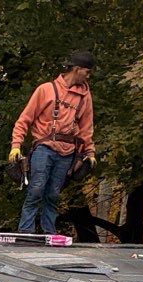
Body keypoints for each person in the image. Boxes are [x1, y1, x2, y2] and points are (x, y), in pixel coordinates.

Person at [9, 52, 97, 235]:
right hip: (44, 148)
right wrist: (16, 145)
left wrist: (90, 152)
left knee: (54, 194)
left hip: (67, 152)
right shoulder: (46, 90)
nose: (89, 76)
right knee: (36, 189)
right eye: (87, 72)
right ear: (77, 69)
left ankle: (49, 232)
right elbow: (24, 120)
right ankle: (26, 231)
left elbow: (86, 127)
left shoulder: (84, 97)